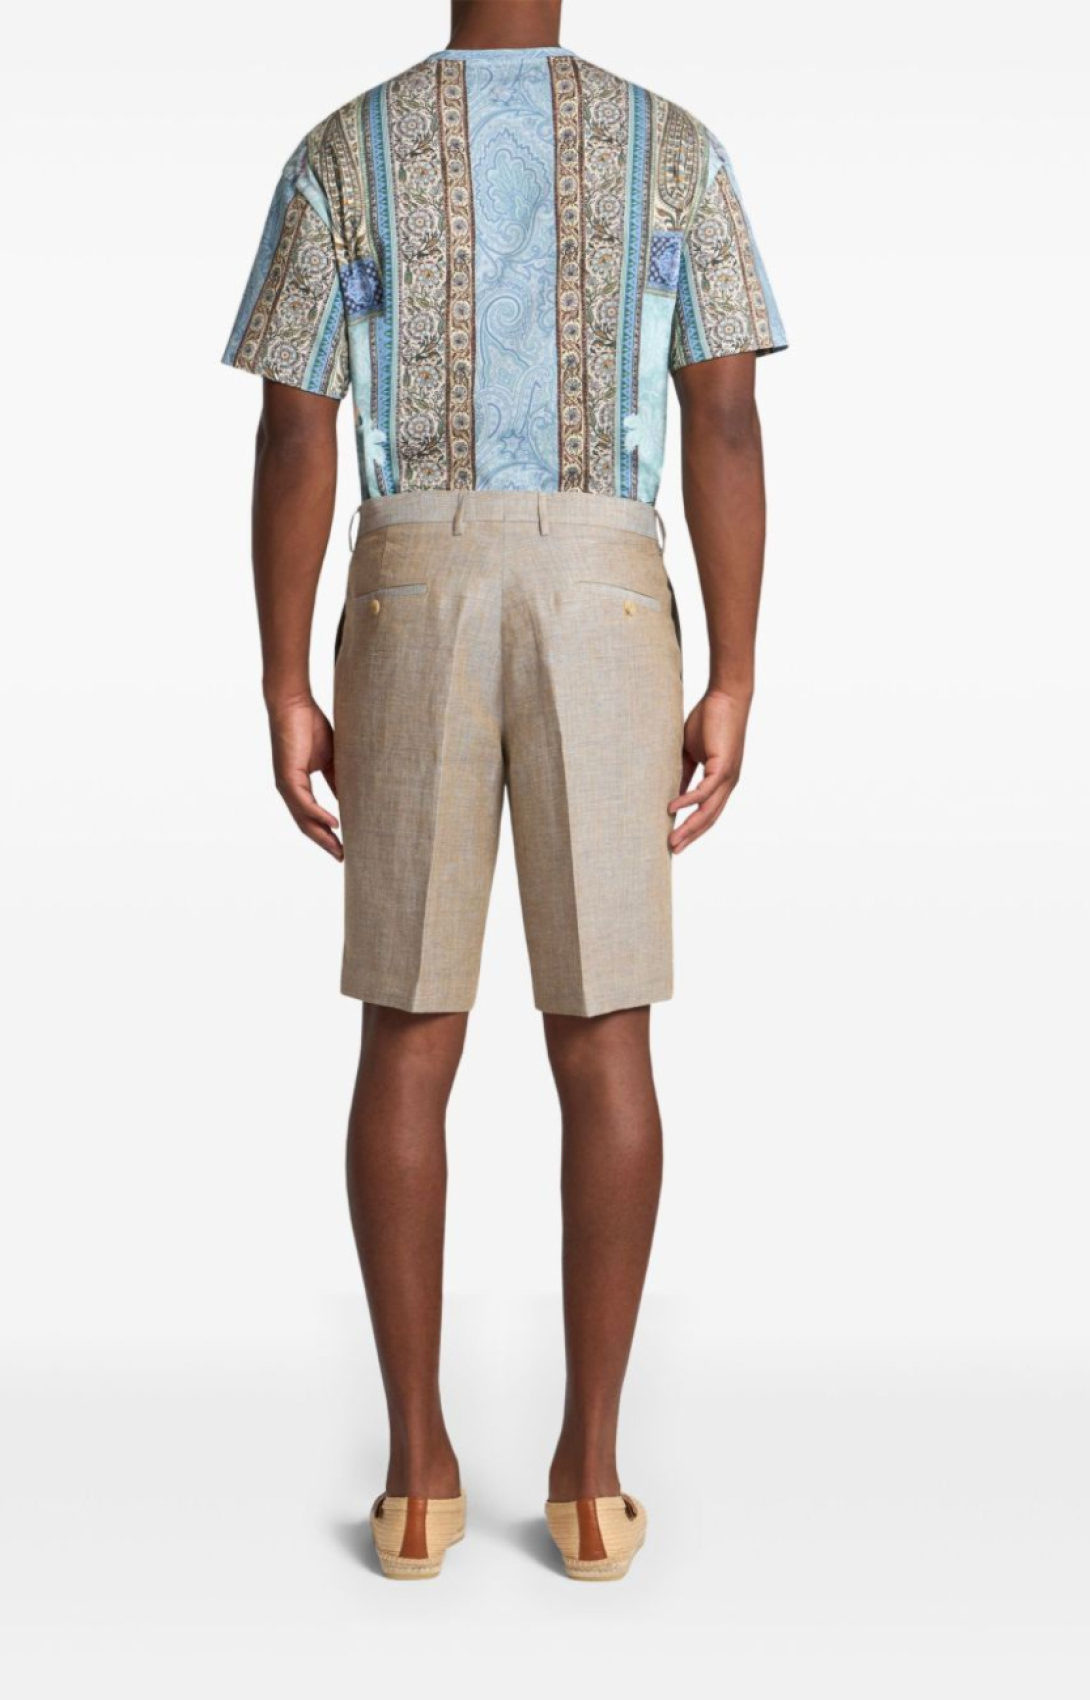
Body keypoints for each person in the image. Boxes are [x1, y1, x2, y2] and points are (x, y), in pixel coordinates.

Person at [223, 0, 785, 1581]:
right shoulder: (675, 146)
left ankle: (418, 1482)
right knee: (603, 1031)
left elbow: (294, 429)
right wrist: (735, 669)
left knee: (409, 1029)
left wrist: (284, 676)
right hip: (607, 587)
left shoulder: (343, 148)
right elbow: (725, 414)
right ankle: (590, 1484)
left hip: (411, 579)